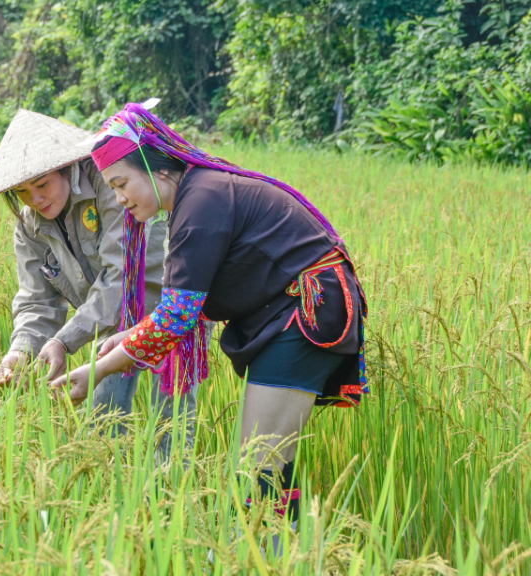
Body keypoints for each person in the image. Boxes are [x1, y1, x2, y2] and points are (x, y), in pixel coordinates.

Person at [52, 100, 368, 530]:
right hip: (286, 315)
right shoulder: (197, 197)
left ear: (157, 167)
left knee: (258, 467)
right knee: (267, 466)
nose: (120, 198)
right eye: (111, 188)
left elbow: (177, 317)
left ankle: (277, 552)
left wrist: (100, 369)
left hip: (303, 312)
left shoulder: (202, 202)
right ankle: (288, 551)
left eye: (122, 183)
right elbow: (180, 306)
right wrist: (126, 339)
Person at [0, 109, 196, 460]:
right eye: (22, 192)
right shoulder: (30, 227)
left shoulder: (112, 187)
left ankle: (172, 498)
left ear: (66, 167)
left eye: (42, 184)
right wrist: (21, 350)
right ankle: (110, 495)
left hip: (171, 311)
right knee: (101, 420)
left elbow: (122, 280)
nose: (35, 199)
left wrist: (63, 340)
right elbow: (36, 302)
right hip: (107, 325)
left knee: (170, 421)